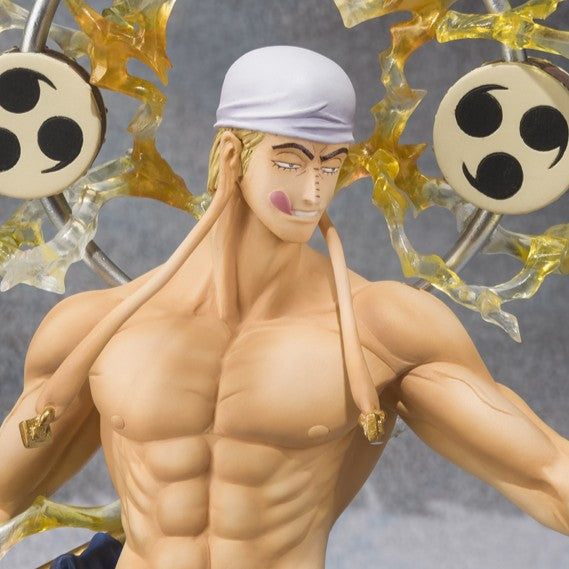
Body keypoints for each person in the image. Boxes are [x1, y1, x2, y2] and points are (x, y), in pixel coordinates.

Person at [1, 45, 569, 569]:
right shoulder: (95, 329)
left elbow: (547, 475)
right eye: (291, 162)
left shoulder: (380, 329)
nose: (313, 192)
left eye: (330, 164)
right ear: (232, 154)